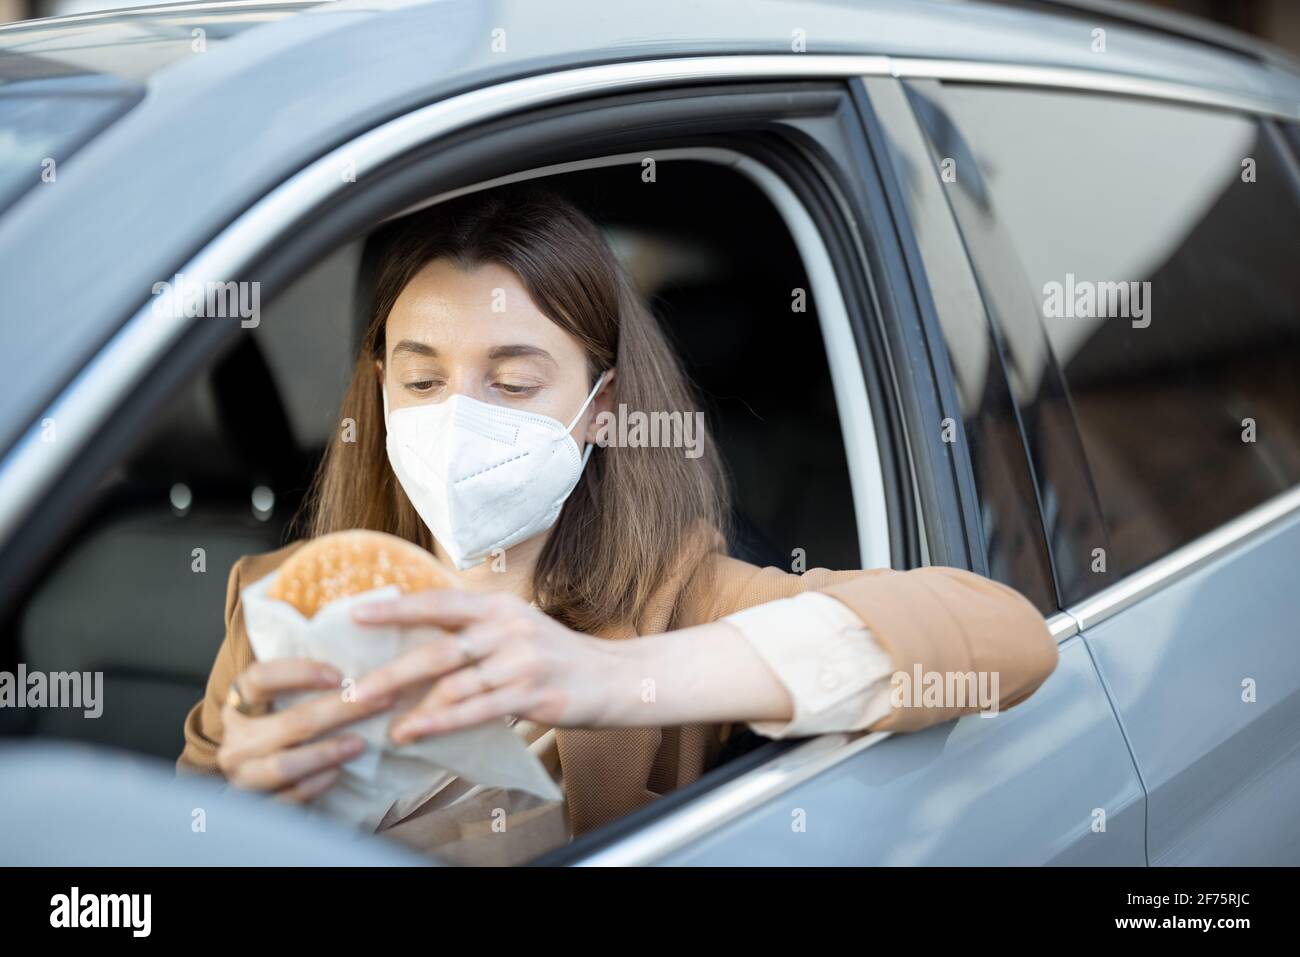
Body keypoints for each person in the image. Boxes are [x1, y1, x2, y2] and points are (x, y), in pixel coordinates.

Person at [177, 185, 1058, 864]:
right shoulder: (277, 603)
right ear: (377, 387)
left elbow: (1006, 637)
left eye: (514, 384)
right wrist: (241, 821)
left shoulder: (682, 595)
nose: (458, 419)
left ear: (603, 406)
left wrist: (611, 675)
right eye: (422, 382)